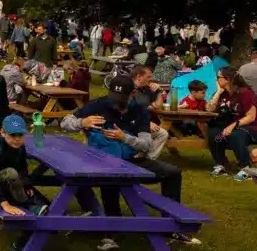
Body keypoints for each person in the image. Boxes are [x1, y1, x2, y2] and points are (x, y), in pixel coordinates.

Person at [60, 75, 199, 247]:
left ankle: (171, 225)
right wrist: (83, 122)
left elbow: (146, 144)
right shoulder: (99, 104)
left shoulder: (140, 111)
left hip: (132, 159)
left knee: (172, 173)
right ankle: (111, 229)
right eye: (113, 97)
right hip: (101, 160)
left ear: (132, 94)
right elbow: (65, 122)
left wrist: (124, 137)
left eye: (120, 99)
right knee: (98, 178)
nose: (115, 102)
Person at [0, 115, 49, 219]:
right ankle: (28, 206)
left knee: (33, 192)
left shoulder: (20, 147)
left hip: (6, 183)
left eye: (20, 135)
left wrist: (27, 185)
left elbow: (23, 169)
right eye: (13, 135)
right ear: (2, 133)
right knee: (11, 173)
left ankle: (41, 207)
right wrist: (5, 204)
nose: (17, 139)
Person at [206, 68, 257, 181]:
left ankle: (246, 169)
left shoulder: (245, 93)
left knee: (236, 135)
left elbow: (251, 116)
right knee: (215, 135)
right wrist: (218, 92)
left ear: (227, 79)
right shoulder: (223, 93)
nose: (216, 80)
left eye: (218, 77)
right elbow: (209, 109)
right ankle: (221, 165)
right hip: (229, 127)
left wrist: (233, 125)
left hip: (250, 127)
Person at [128, 66, 170, 160]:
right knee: (159, 133)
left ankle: (147, 159)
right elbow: (129, 110)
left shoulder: (146, 90)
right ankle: (140, 157)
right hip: (130, 124)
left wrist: (159, 92)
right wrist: (146, 123)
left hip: (143, 123)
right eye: (148, 77)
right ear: (139, 77)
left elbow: (158, 106)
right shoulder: (128, 89)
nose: (151, 79)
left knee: (162, 133)